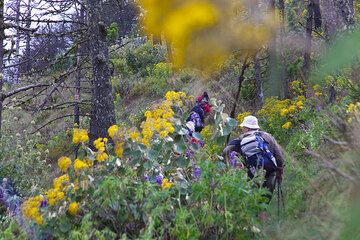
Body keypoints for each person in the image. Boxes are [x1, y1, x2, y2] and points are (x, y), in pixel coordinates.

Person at [223, 115, 284, 202]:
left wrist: (232, 164)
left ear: (247, 128)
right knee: (265, 201)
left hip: (253, 175)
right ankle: (263, 213)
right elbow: (279, 156)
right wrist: (279, 172)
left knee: (253, 201)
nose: (242, 129)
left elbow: (226, 151)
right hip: (270, 172)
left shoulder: (241, 139)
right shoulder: (268, 136)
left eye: (243, 127)